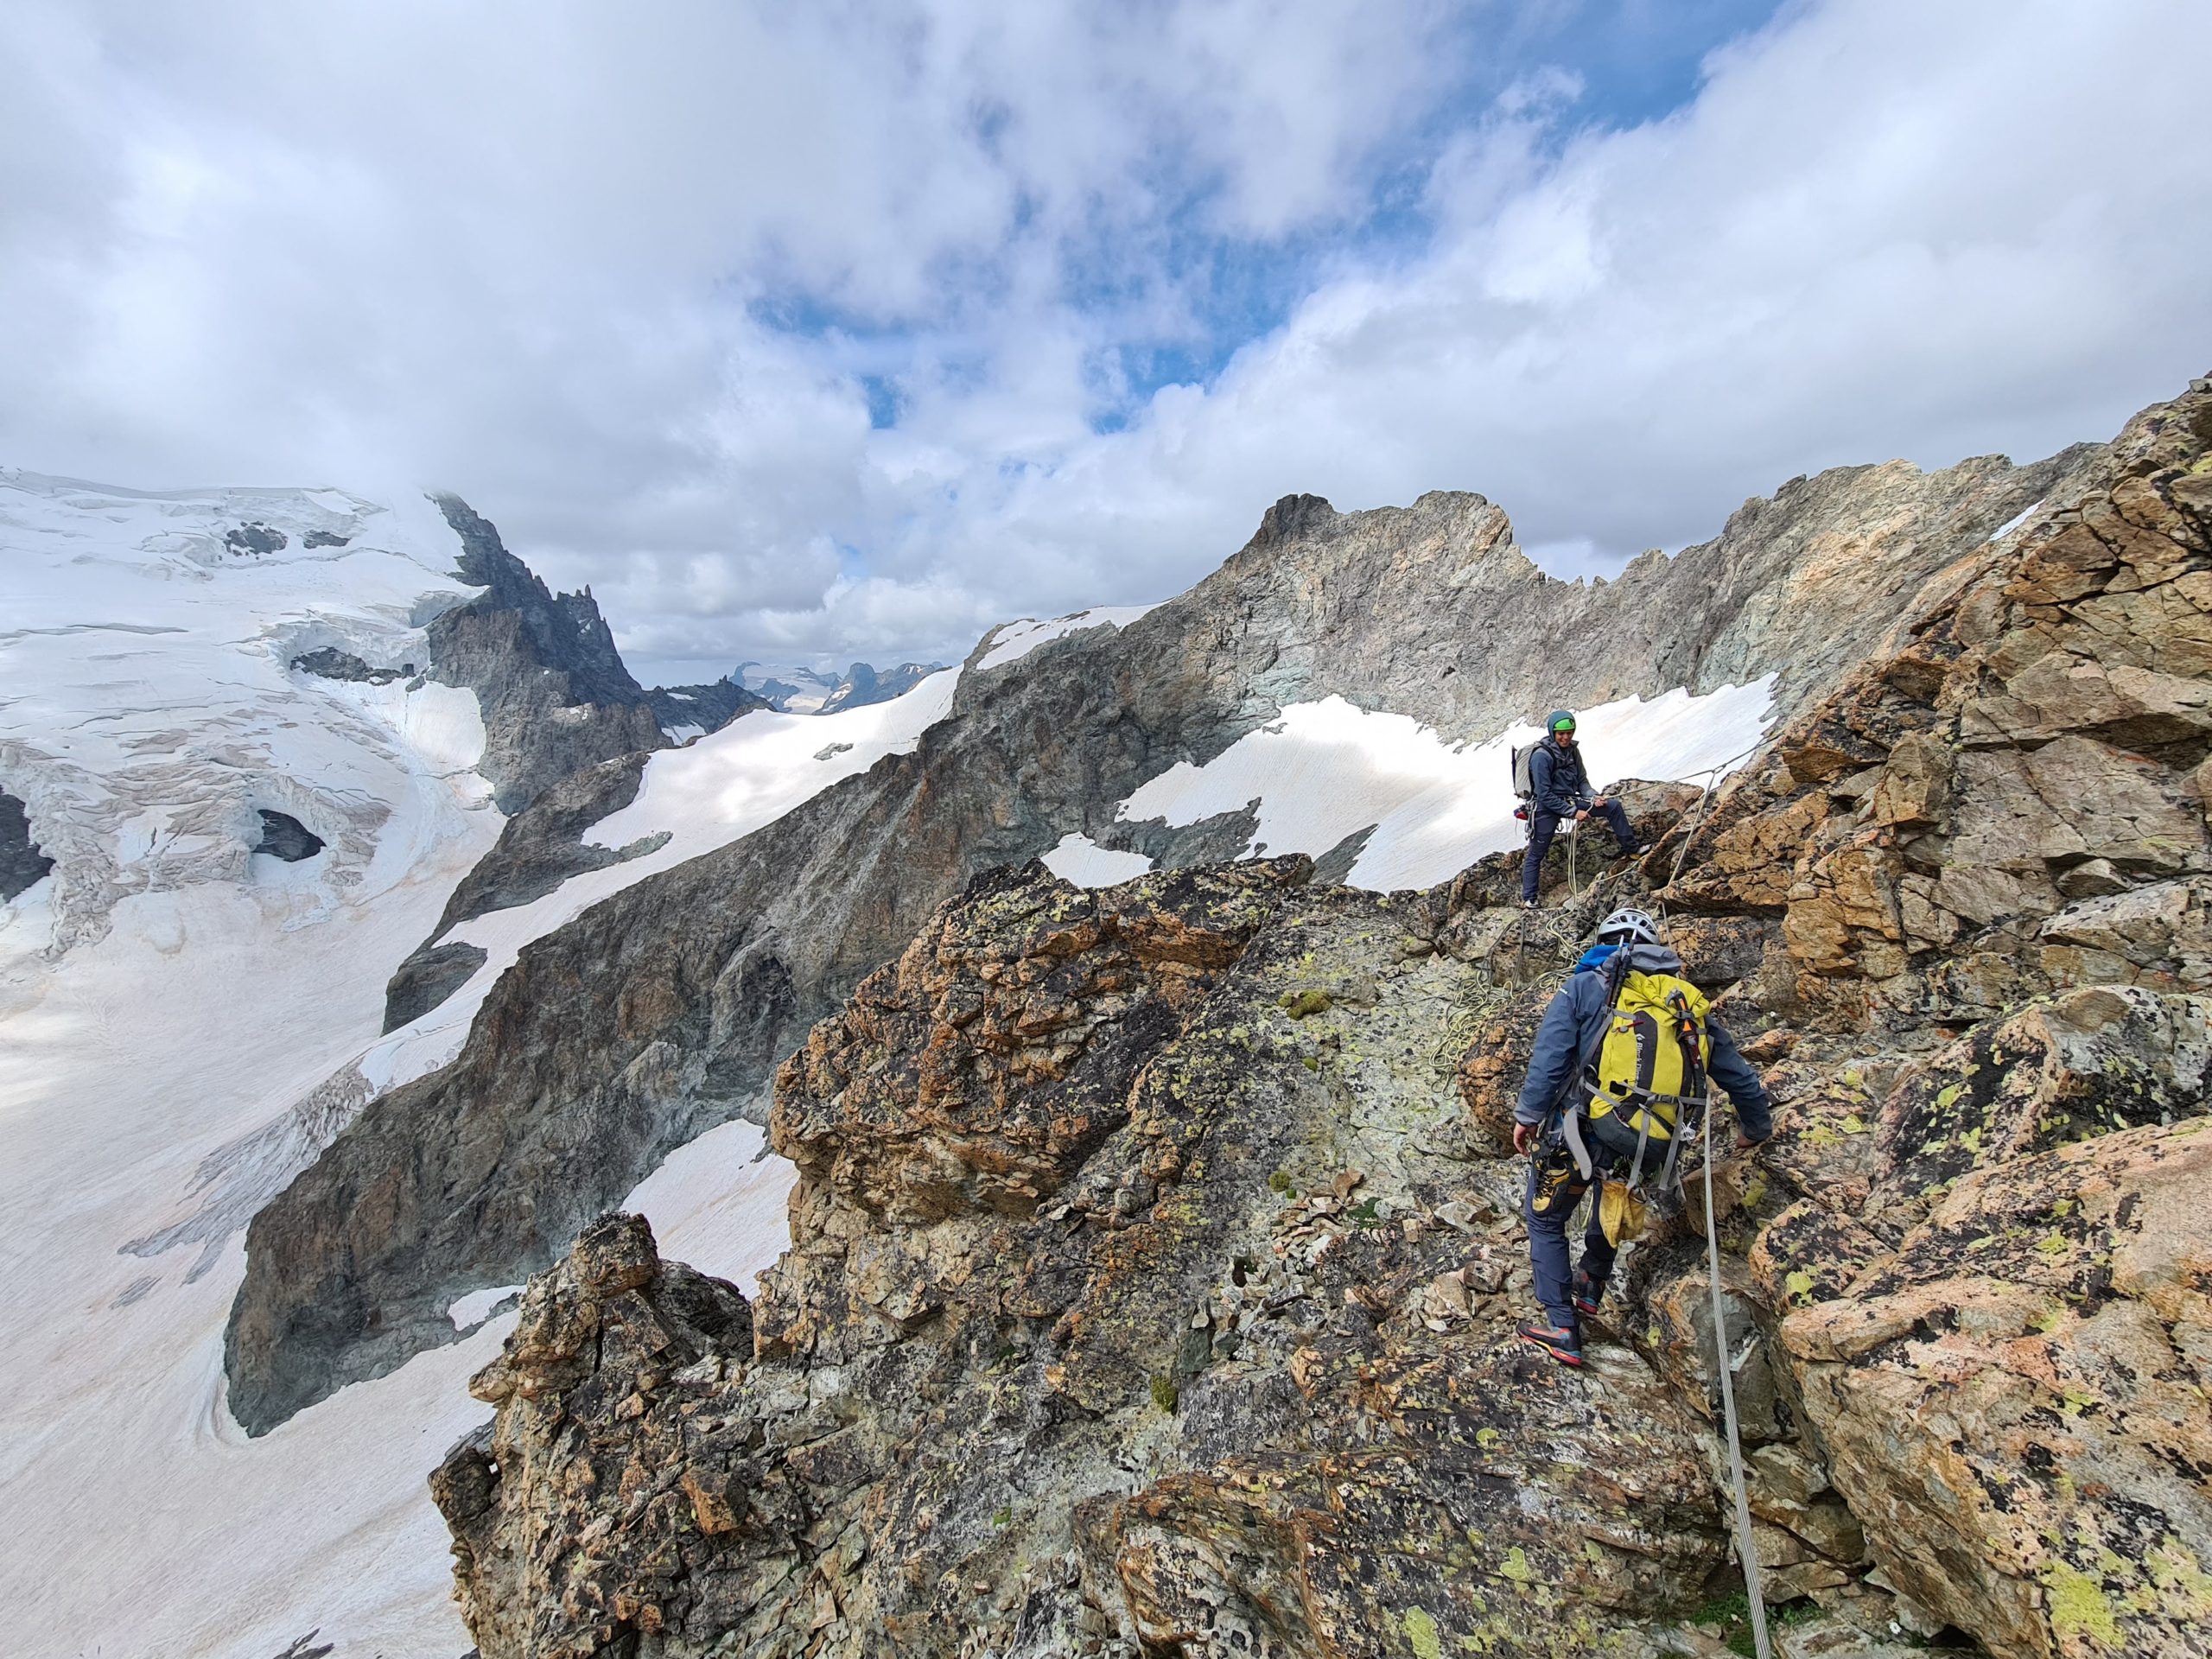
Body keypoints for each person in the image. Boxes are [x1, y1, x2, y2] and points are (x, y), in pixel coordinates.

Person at [1510, 906, 1773, 1367]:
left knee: (1546, 1219)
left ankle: (1561, 1324)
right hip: (1652, 1140)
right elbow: (1737, 1075)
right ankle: (1590, 1287)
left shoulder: (1585, 987)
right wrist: (1757, 1127)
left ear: (1604, 941)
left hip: (1579, 1130)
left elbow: (1549, 1057)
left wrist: (1528, 1115)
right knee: (1613, 1196)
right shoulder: (1686, 1003)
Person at [1521, 710, 1640, 906]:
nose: (1566, 737)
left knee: (1613, 807)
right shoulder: (1541, 757)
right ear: (1552, 732)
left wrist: (1592, 796)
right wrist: (1573, 812)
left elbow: (1582, 781)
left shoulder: (1572, 751)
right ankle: (1529, 898)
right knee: (1536, 853)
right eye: (1561, 733)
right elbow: (1544, 794)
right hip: (1545, 807)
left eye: (1569, 732)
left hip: (1568, 800)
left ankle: (1633, 850)